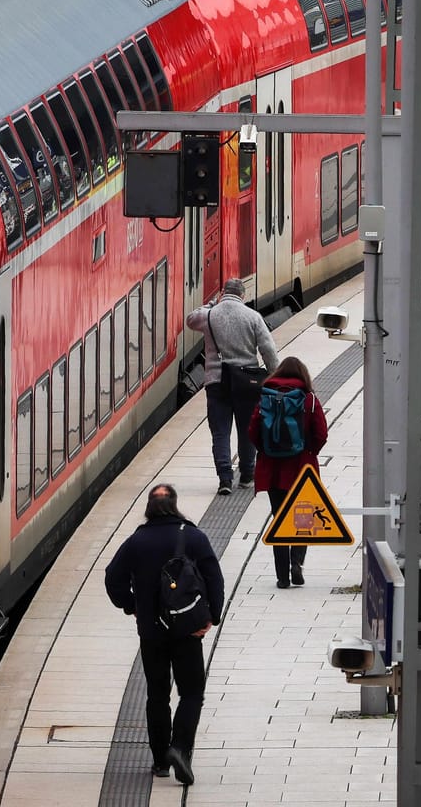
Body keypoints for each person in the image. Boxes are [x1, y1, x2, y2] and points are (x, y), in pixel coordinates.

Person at [103, 484, 225, 786]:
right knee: (192, 692)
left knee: (157, 694)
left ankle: (159, 761)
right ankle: (180, 748)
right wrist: (212, 615)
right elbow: (214, 577)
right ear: (175, 504)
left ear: (149, 507)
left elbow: (113, 578)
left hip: (151, 631)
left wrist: (131, 606)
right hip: (187, 630)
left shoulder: (136, 541)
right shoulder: (193, 537)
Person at [185, 279, 278, 494]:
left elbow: (190, 320)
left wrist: (210, 305)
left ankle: (225, 479)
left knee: (220, 432)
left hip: (217, 382)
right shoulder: (253, 317)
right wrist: (276, 377)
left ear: (223, 293)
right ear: (242, 296)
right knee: (247, 430)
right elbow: (269, 351)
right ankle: (246, 476)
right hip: (248, 384)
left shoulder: (209, 315)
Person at [247, 356, 329, 589]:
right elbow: (321, 433)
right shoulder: (309, 399)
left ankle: (282, 576)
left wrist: (266, 451)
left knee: (279, 519)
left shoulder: (266, 398)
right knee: (303, 519)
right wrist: (310, 452)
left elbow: (253, 431)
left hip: (273, 470)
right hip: (302, 468)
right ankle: (297, 564)